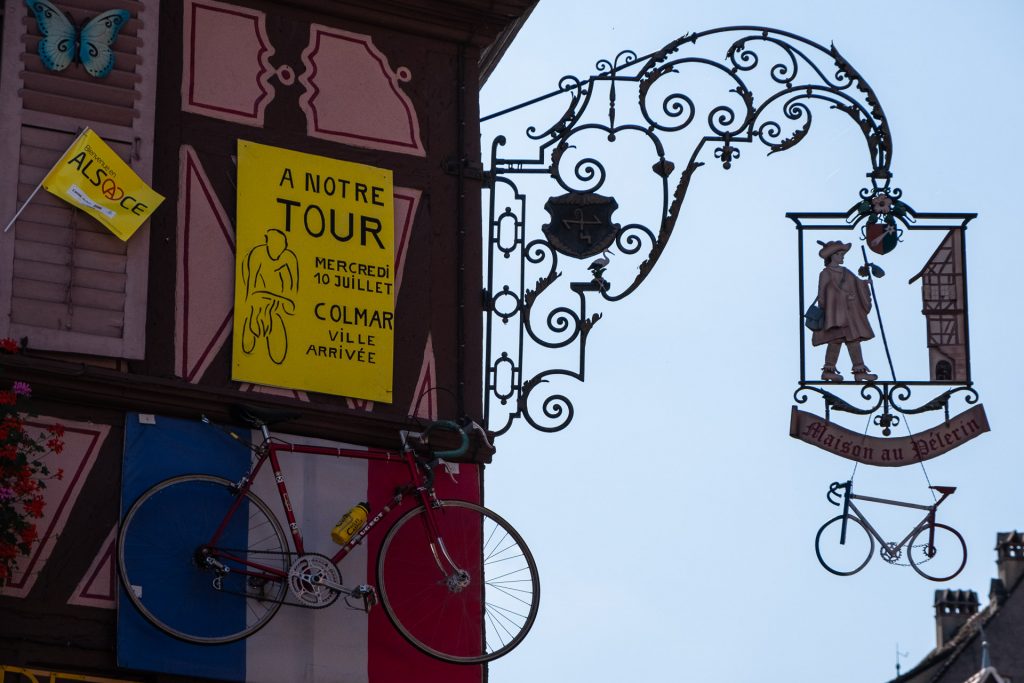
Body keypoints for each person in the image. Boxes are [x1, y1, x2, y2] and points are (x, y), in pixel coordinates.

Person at [812, 240, 878, 382]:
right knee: (836, 340)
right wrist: (839, 298)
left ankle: (858, 372)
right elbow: (822, 295)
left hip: (849, 315)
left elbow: (856, 283)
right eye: (840, 254)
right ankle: (829, 371)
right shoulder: (825, 274)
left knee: (852, 340)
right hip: (835, 315)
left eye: (843, 254)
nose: (842, 256)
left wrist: (865, 284)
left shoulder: (846, 271)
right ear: (832, 256)